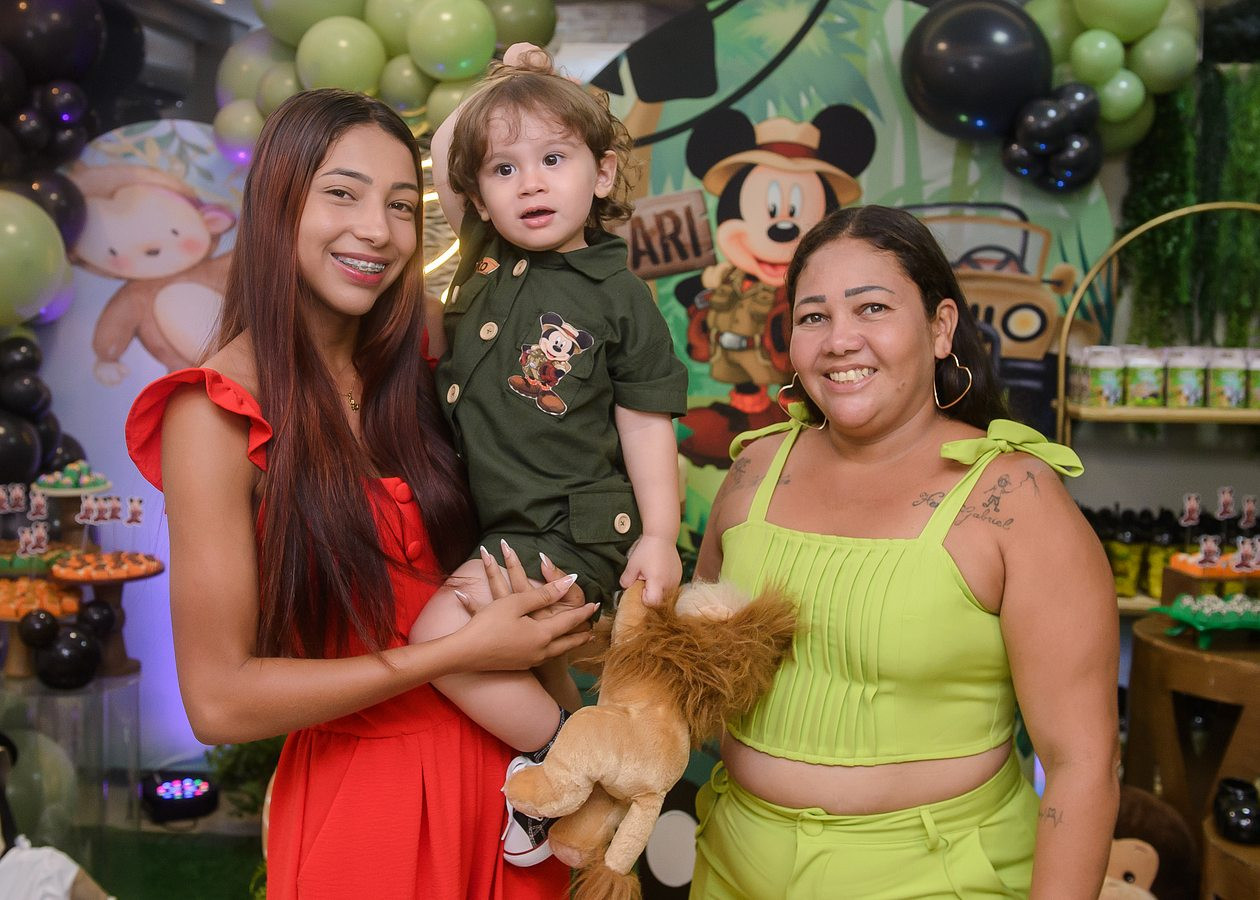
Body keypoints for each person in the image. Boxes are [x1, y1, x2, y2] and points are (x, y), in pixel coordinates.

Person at [124, 89, 597, 899]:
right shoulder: (214, 412)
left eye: (401, 205)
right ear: (276, 204)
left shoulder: (430, 355)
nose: (377, 230)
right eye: (342, 193)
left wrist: (573, 742)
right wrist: (449, 656)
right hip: (368, 808)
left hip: (518, 794)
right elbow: (219, 700)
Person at [690, 205, 1119, 898]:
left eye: (872, 308)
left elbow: (1082, 764)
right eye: (814, 316)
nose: (840, 341)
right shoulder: (752, 471)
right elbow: (694, 666)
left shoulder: (1015, 498)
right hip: (731, 866)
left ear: (940, 326)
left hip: (939, 877)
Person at [413, 45, 688, 864]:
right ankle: (590, 769)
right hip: (507, 524)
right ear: (479, 193)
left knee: (437, 639)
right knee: (522, 664)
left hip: (572, 528)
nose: (529, 183)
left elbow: (646, 423)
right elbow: (448, 147)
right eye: (505, 169)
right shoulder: (483, 252)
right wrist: (502, 82)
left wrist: (660, 534)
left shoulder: (618, 295)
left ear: (601, 175)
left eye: (553, 160)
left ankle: (567, 762)